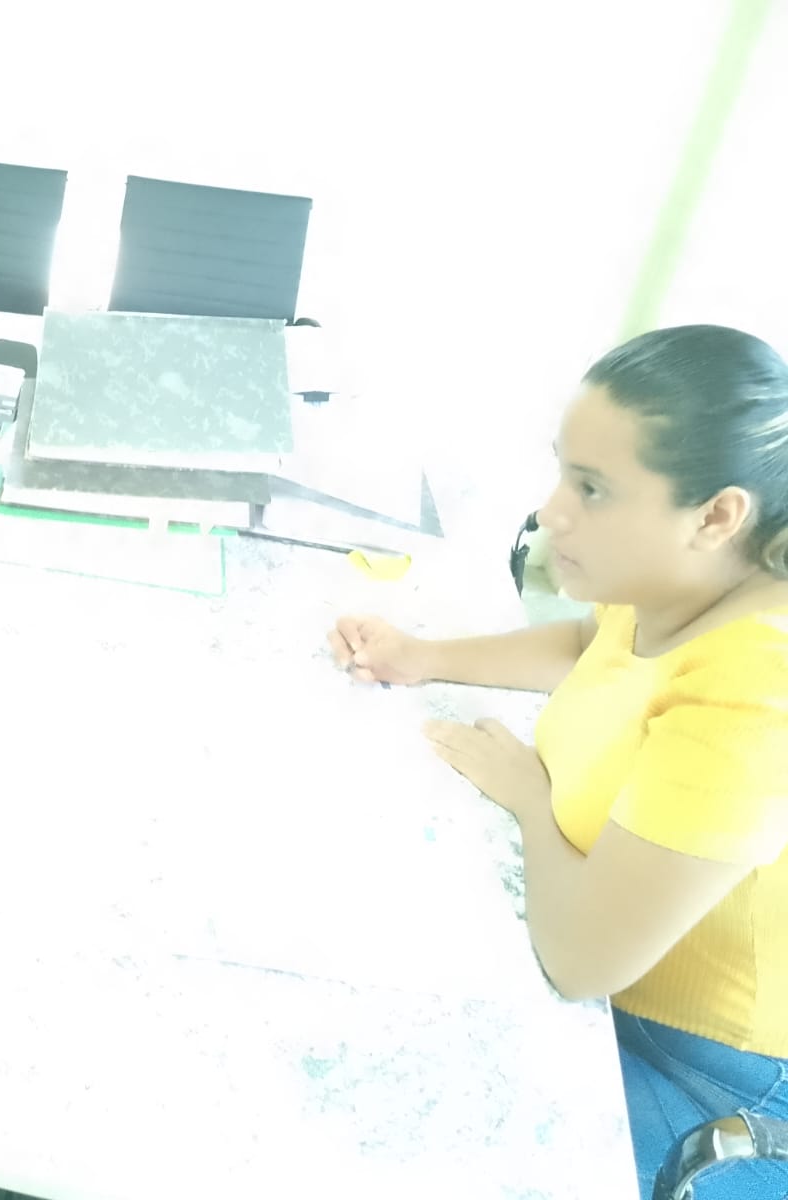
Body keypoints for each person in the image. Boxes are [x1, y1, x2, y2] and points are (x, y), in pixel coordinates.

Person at [329, 325, 788, 1199]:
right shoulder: (686, 581)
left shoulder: (760, 693)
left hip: (714, 1078)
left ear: (716, 516)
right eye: (563, 473)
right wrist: (422, 657)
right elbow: (589, 646)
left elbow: (582, 962)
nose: (550, 514)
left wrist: (529, 799)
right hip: (617, 993)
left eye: (593, 489)